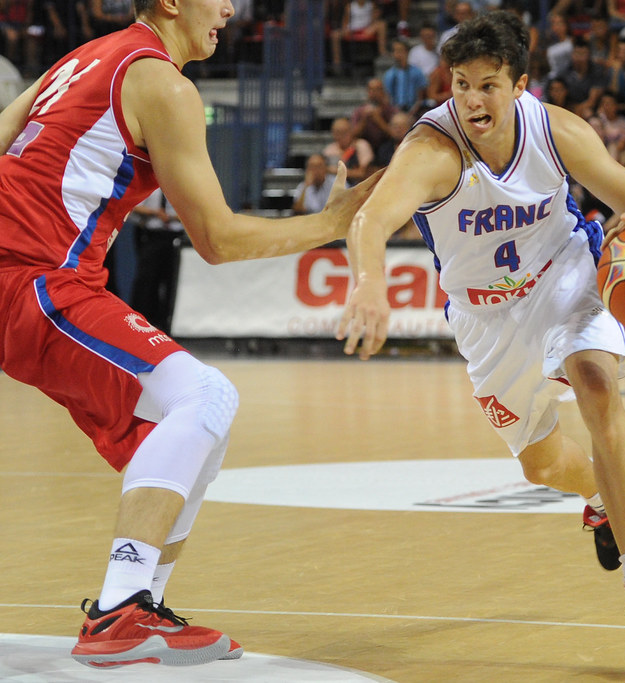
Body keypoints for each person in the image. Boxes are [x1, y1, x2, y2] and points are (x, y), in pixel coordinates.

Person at [0, 1, 380, 668]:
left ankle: (136, 597)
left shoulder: (82, 57)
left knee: (203, 414)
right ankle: (120, 608)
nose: (231, 9)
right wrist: (329, 225)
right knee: (203, 396)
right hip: (34, 276)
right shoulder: (161, 83)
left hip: (33, 274)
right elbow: (218, 239)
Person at [337, 10, 625, 658]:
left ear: (520, 84)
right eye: (461, 83)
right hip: (485, 319)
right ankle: (598, 498)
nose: (472, 99)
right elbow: (371, 221)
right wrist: (369, 283)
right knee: (541, 462)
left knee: (595, 386)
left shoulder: (557, 132)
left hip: (566, 280)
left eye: (488, 84)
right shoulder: (429, 149)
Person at [129, 188, 183, 334]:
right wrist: (154, 213)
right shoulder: (151, 187)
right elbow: (134, 206)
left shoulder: (182, 186)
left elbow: (193, 211)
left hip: (176, 237)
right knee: (147, 279)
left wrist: (172, 217)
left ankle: (167, 324)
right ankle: (142, 321)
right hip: (152, 235)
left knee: (172, 281)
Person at [383, 38, 429, 114]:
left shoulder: (417, 72)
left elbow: (421, 98)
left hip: (415, 111)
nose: (398, 54)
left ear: (407, 52)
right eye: (395, 51)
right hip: (395, 111)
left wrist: (412, 113)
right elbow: (388, 98)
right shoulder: (389, 74)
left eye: (400, 50)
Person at [322, 115, 374, 182]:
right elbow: (325, 172)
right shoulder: (329, 150)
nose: (341, 136)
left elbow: (363, 173)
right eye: (337, 132)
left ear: (351, 131)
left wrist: (337, 171)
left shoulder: (362, 145)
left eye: (344, 132)